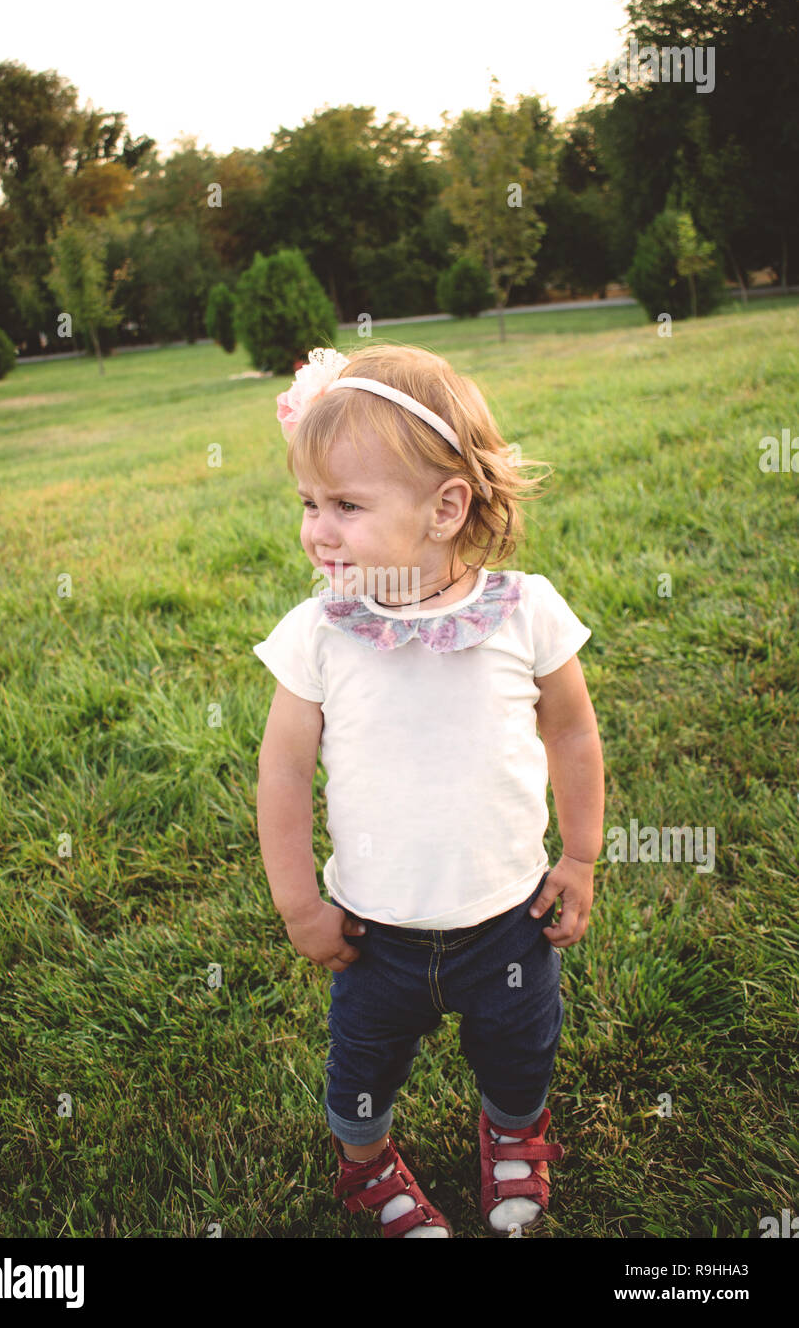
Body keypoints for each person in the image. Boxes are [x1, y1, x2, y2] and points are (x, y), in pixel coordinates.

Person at [253, 342, 604, 1238]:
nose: (315, 531)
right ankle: (368, 1168)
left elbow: (569, 731)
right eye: (308, 504)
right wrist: (302, 907)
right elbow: (284, 776)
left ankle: (516, 1134)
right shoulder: (318, 635)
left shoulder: (525, 614)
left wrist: (578, 855)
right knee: (362, 1069)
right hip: (376, 935)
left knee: (522, 1051)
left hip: (508, 923)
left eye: (345, 506)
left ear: (446, 508)